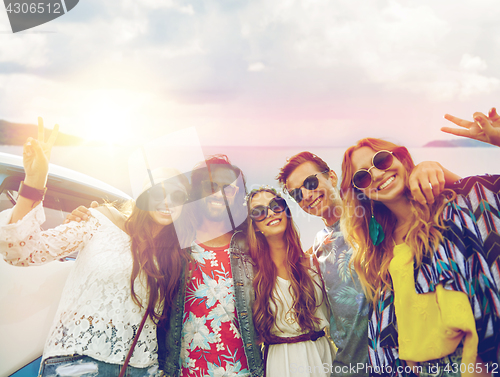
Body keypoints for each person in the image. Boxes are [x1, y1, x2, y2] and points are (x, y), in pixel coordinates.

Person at [0, 118, 193, 376]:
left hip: (141, 369)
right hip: (77, 362)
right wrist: (34, 183)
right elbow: (23, 252)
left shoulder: (177, 253)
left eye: (177, 196)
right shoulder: (98, 221)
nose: (167, 202)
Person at [67, 155, 264, 377]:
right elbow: (135, 227)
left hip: (243, 370)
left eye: (228, 188)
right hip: (181, 370)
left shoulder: (251, 245)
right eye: (210, 185)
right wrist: (97, 215)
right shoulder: (175, 240)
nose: (218, 193)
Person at [276, 152, 454, 377]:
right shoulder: (318, 244)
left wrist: (429, 167)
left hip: (403, 361)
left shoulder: (375, 214)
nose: (306, 195)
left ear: (331, 177)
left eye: (310, 183)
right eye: (296, 194)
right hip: (350, 367)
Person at [340, 138, 500, 376]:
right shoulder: (378, 252)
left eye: (381, 160)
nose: (377, 175)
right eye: (362, 176)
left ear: (401, 158)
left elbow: (484, 204)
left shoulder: (452, 208)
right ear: (361, 193)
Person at [246, 187, 335, 377]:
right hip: (281, 363)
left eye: (275, 205)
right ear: (254, 225)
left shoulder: (316, 263)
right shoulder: (251, 276)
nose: (270, 213)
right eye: (259, 211)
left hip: (323, 357)